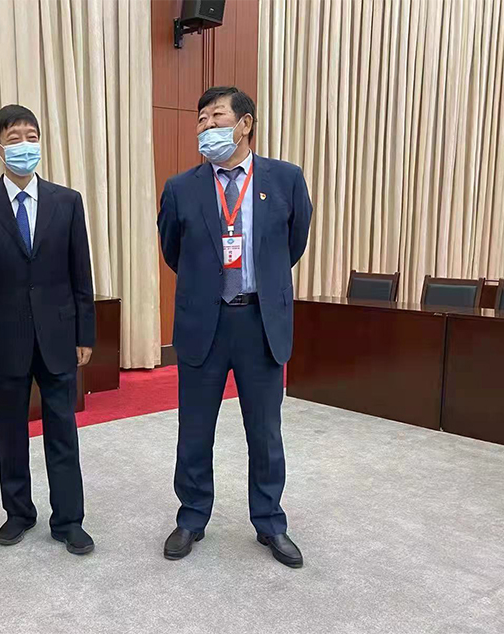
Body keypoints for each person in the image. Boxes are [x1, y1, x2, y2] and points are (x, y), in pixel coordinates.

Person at [157, 86, 312, 567]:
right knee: (194, 429)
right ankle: (191, 516)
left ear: (245, 124)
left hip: (260, 322)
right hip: (204, 321)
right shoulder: (180, 188)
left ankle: (270, 521)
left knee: (265, 431)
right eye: (201, 119)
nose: (206, 126)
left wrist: (256, 281)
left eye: (216, 117)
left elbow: (293, 242)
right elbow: (172, 250)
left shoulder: (285, 179)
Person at [0, 105, 96, 555]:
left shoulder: (67, 201)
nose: (25, 145)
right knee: (11, 432)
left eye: (32, 136)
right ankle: (18, 513)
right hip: (6, 337)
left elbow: (81, 273)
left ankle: (69, 520)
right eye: (14, 138)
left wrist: (85, 333)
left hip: (58, 336)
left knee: (62, 430)